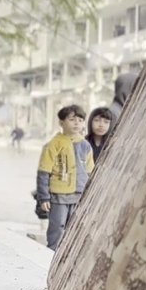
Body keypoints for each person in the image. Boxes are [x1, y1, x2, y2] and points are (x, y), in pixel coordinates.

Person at [36, 105, 95, 250]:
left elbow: (90, 172)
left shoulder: (85, 145)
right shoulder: (53, 145)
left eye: (80, 120)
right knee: (57, 225)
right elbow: (44, 172)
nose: (77, 123)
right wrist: (44, 197)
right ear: (61, 122)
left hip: (79, 194)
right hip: (59, 195)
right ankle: (51, 253)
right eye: (72, 119)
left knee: (74, 227)